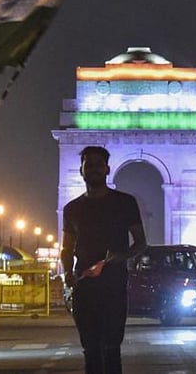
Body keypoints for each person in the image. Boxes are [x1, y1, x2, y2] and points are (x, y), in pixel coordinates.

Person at [61, 146, 147, 374]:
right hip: (84, 285)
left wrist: (123, 256)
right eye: (89, 164)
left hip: (113, 285)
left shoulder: (126, 203)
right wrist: (67, 273)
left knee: (111, 349)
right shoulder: (71, 209)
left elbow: (141, 243)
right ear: (81, 170)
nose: (94, 169)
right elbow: (66, 248)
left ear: (108, 169)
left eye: (99, 165)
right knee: (90, 350)